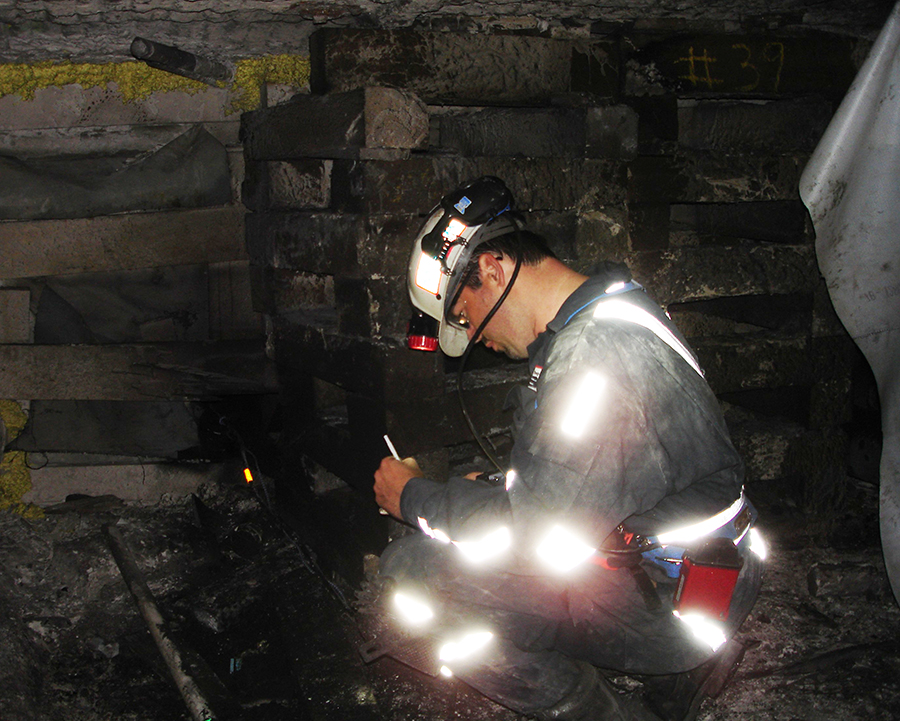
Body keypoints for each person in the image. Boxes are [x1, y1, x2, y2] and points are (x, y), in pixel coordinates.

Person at [369, 176, 764, 721]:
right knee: (474, 521)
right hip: (684, 572)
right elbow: (599, 475)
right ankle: (673, 680)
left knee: (414, 572)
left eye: (462, 315)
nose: (473, 336)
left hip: (673, 602)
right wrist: (487, 490)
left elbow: (539, 540)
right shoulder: (612, 309)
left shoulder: (590, 360)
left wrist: (413, 498)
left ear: (492, 270)